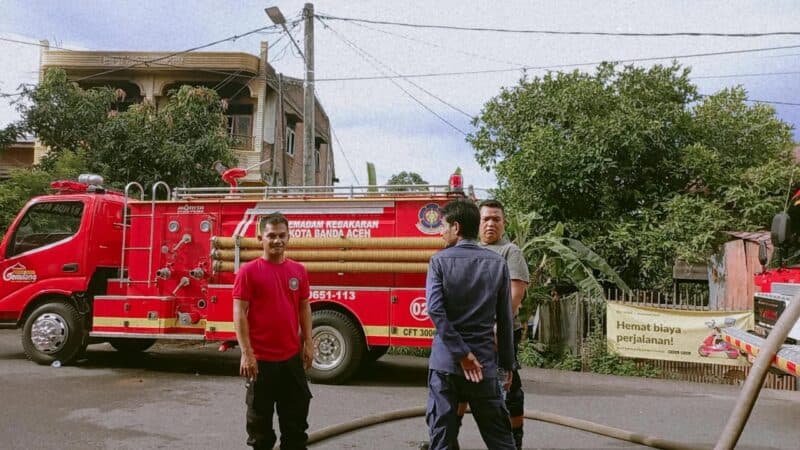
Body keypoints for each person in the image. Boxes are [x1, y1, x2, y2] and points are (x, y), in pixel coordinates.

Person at [424, 199, 516, 450]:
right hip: (483, 366)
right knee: (500, 440)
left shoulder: (439, 262)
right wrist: (507, 364)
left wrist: (462, 354)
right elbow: (506, 318)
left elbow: (435, 309)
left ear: (456, 227)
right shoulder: (497, 263)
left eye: (443, 225)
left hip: (446, 367)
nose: (441, 231)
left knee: (442, 438)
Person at [233, 212, 313, 450]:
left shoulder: (299, 271)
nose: (277, 240)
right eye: (271, 236)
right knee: (260, 434)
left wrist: (309, 342)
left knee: (296, 429)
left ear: (289, 237)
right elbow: (239, 313)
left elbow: (304, 306)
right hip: (261, 362)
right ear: (260, 237)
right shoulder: (248, 271)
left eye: (282, 235)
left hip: (291, 360)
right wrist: (247, 353)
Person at [478, 199, 530, 450]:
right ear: (477, 223)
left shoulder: (511, 252)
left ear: (504, 223)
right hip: (474, 333)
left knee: (508, 386)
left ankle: (514, 441)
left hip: (502, 332)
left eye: (496, 219)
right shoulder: (470, 249)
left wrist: (498, 327)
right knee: (461, 384)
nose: (490, 224)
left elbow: (515, 295)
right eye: (485, 219)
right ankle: (446, 439)